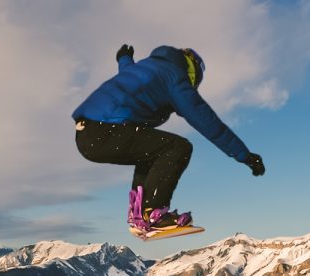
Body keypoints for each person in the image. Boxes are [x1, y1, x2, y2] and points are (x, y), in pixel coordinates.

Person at [72, 44, 265, 232]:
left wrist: (124, 57)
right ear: (192, 71)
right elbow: (208, 123)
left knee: (150, 150)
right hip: (106, 129)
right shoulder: (175, 77)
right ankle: (154, 213)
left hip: (86, 134)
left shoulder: (151, 68)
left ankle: (139, 214)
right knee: (177, 147)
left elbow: (128, 71)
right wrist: (244, 155)